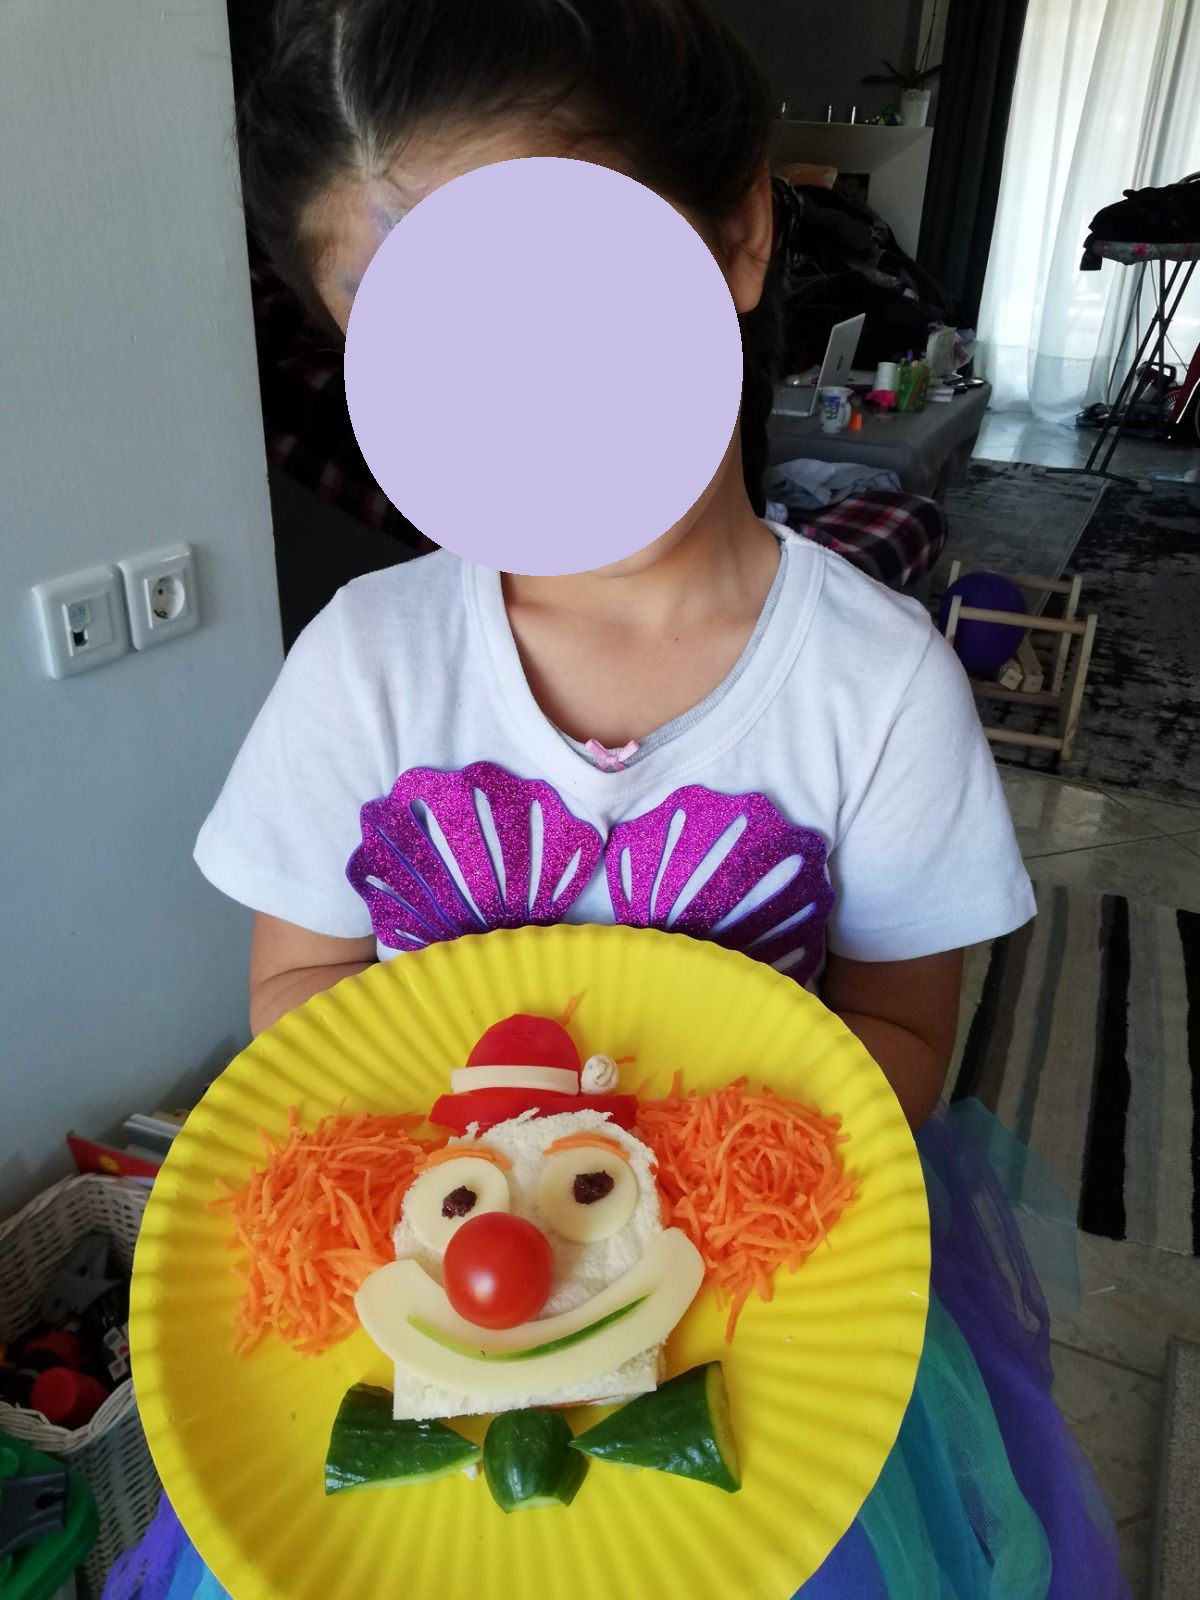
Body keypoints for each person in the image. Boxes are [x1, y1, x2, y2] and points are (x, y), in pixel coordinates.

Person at [104, 2, 1130, 1596]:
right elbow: (298, 988)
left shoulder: (875, 687)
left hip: (753, 1328)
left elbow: (905, 1039)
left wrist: (655, 1151)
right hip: (446, 1294)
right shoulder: (365, 661)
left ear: (738, 235)